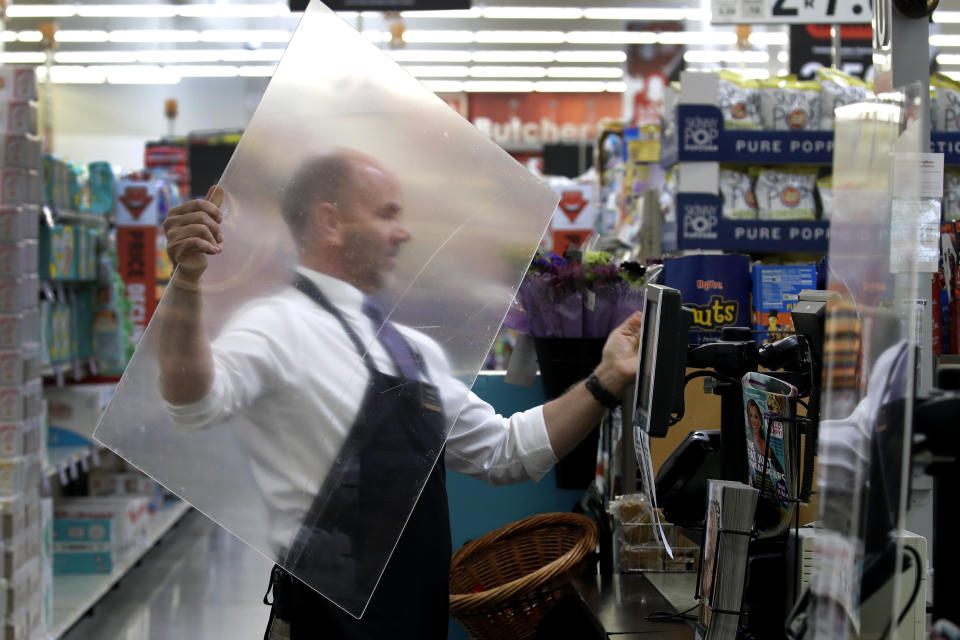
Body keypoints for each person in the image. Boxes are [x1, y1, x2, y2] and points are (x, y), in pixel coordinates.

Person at [158, 149, 644, 640]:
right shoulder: (276, 325)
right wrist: (187, 284)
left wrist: (605, 380)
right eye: (387, 214)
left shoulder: (409, 348)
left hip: (415, 619)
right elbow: (194, 401)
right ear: (331, 223)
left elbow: (505, 452)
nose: (404, 232)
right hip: (325, 626)